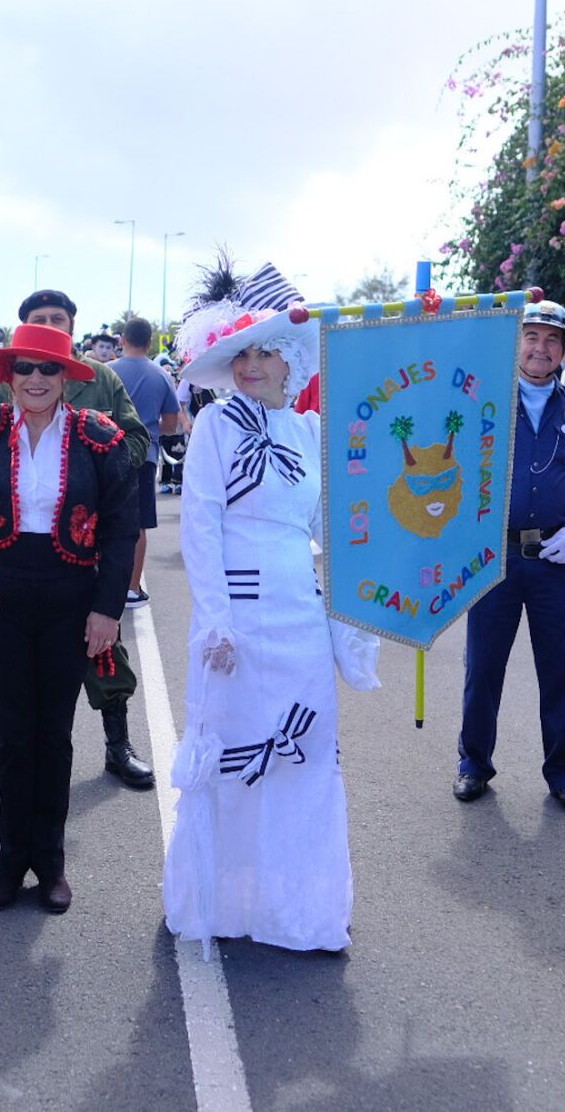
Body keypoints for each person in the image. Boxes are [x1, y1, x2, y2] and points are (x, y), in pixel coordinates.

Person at [161, 260, 380, 953]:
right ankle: (223, 907)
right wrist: (216, 619)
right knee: (235, 760)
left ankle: (299, 914)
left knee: (306, 760)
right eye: (242, 353)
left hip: (299, 615)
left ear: (291, 360)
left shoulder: (310, 432)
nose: (252, 365)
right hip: (238, 624)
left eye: (265, 352)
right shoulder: (216, 427)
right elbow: (201, 525)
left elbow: (327, 529)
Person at [0, 324, 137, 914]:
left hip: (74, 596)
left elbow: (122, 530)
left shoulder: (101, 438)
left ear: (67, 375)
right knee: (14, 734)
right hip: (2, 597)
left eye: (49, 368)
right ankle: (9, 858)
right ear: (7, 375)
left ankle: (50, 861)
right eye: (25, 368)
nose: (37, 379)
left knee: (56, 733)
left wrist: (107, 609)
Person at [0, 289, 155, 789]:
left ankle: (117, 743)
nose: (49, 325)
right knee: (22, 661)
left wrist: (99, 464)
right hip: (21, 542)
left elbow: (137, 435)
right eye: (39, 319)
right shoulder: (7, 380)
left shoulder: (101, 377)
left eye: (57, 319)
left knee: (103, 644)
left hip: (88, 539)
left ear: (73, 325)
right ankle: (28, 753)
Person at [454, 301, 565, 820]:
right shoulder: (484, 400)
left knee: (560, 671)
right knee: (484, 668)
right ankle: (474, 764)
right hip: (496, 559)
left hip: (554, 562)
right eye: (531, 337)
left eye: (551, 340)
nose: (540, 348)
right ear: (516, 343)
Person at [110, 317, 181, 607]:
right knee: (137, 524)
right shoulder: (161, 375)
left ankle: (103, 580)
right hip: (145, 456)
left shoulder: (107, 372)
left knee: (104, 518)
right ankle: (132, 586)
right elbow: (172, 423)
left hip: (107, 452)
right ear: (149, 343)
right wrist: (149, 430)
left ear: (122, 340)